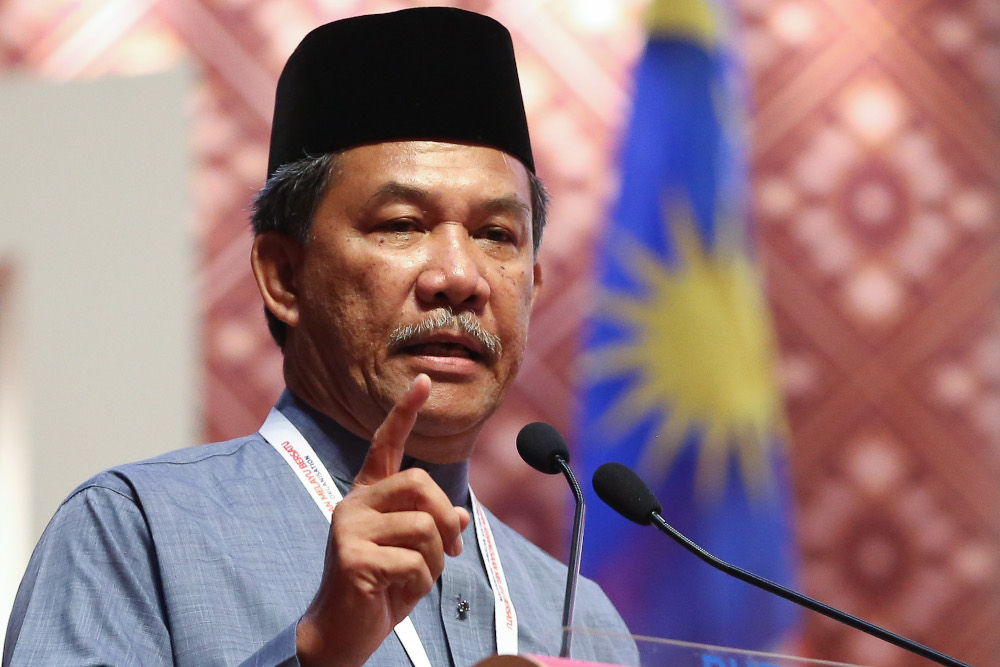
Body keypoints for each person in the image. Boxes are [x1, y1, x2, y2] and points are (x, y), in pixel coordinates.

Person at [3, 7, 637, 666]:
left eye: (496, 235)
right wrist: (315, 652)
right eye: (402, 222)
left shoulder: (582, 618)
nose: (460, 276)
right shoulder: (134, 533)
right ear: (285, 275)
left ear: (532, 284)